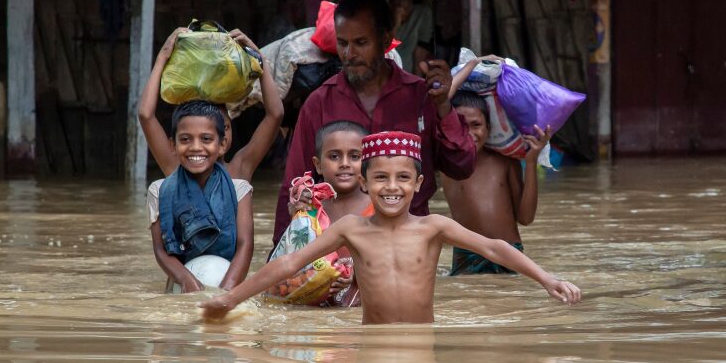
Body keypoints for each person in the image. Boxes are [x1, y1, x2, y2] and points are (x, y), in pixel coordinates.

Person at [201, 132, 580, 324]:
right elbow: (288, 263)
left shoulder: (433, 227)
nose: (391, 187)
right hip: (372, 340)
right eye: (380, 178)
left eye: (402, 178)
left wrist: (547, 279)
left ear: (418, 184)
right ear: (365, 184)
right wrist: (230, 300)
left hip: (421, 340)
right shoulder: (351, 229)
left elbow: (495, 248)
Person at [272, 0, 475, 245]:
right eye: (343, 43)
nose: (349, 54)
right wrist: (282, 254)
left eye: (361, 42)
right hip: (340, 252)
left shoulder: (423, 97)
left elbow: (462, 166)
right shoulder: (319, 103)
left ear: (385, 39)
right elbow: (293, 187)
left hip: (411, 247)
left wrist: (443, 105)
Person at [138, 27, 284, 184]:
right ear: (174, 144)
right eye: (187, 138)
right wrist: (162, 57)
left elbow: (275, 115)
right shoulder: (175, 169)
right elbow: (146, 115)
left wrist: (259, 60)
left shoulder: (240, 169)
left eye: (225, 127)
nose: (223, 133)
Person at [441, 91, 552, 276]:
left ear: (489, 127)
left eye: (476, 125)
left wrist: (531, 162)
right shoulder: (445, 164)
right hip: (466, 257)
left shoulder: (505, 162)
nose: (469, 133)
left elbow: (526, 218)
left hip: (510, 254)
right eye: (461, 125)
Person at [148, 101, 254, 294]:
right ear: (173, 145)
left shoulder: (239, 190)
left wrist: (226, 292)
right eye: (185, 139)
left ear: (222, 145)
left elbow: (245, 245)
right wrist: (186, 280)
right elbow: (161, 250)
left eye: (206, 139)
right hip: (181, 285)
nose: (196, 147)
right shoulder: (160, 190)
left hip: (230, 282)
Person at [283, 120, 372, 306]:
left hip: (360, 307)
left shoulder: (377, 210)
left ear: (367, 163)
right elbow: (292, 263)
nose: (345, 164)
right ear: (318, 165)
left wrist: (356, 276)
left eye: (355, 156)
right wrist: (297, 221)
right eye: (334, 156)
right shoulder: (309, 208)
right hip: (315, 306)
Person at [389, 0, 434, 75]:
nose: (401, 3)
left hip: (408, 73)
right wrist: (396, 24)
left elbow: (420, 52)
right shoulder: (386, 16)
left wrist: (416, 80)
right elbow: (387, 49)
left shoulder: (422, 14)